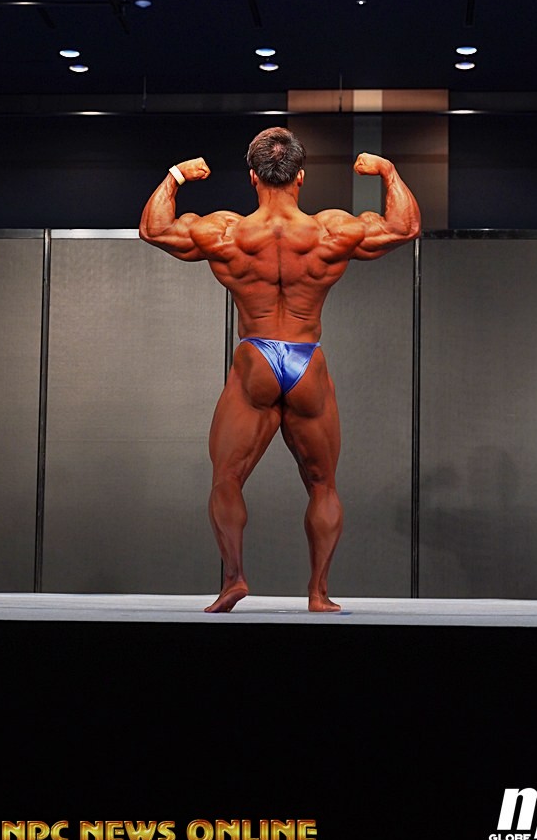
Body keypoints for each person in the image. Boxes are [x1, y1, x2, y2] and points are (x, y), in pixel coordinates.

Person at [139, 127, 421, 613]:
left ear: (252, 177)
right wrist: (389, 173)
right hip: (306, 360)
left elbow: (154, 229)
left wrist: (175, 176)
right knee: (323, 485)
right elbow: (404, 227)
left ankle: (234, 578)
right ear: (301, 177)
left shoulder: (227, 232)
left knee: (226, 479)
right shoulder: (330, 231)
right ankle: (318, 593)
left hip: (256, 360)